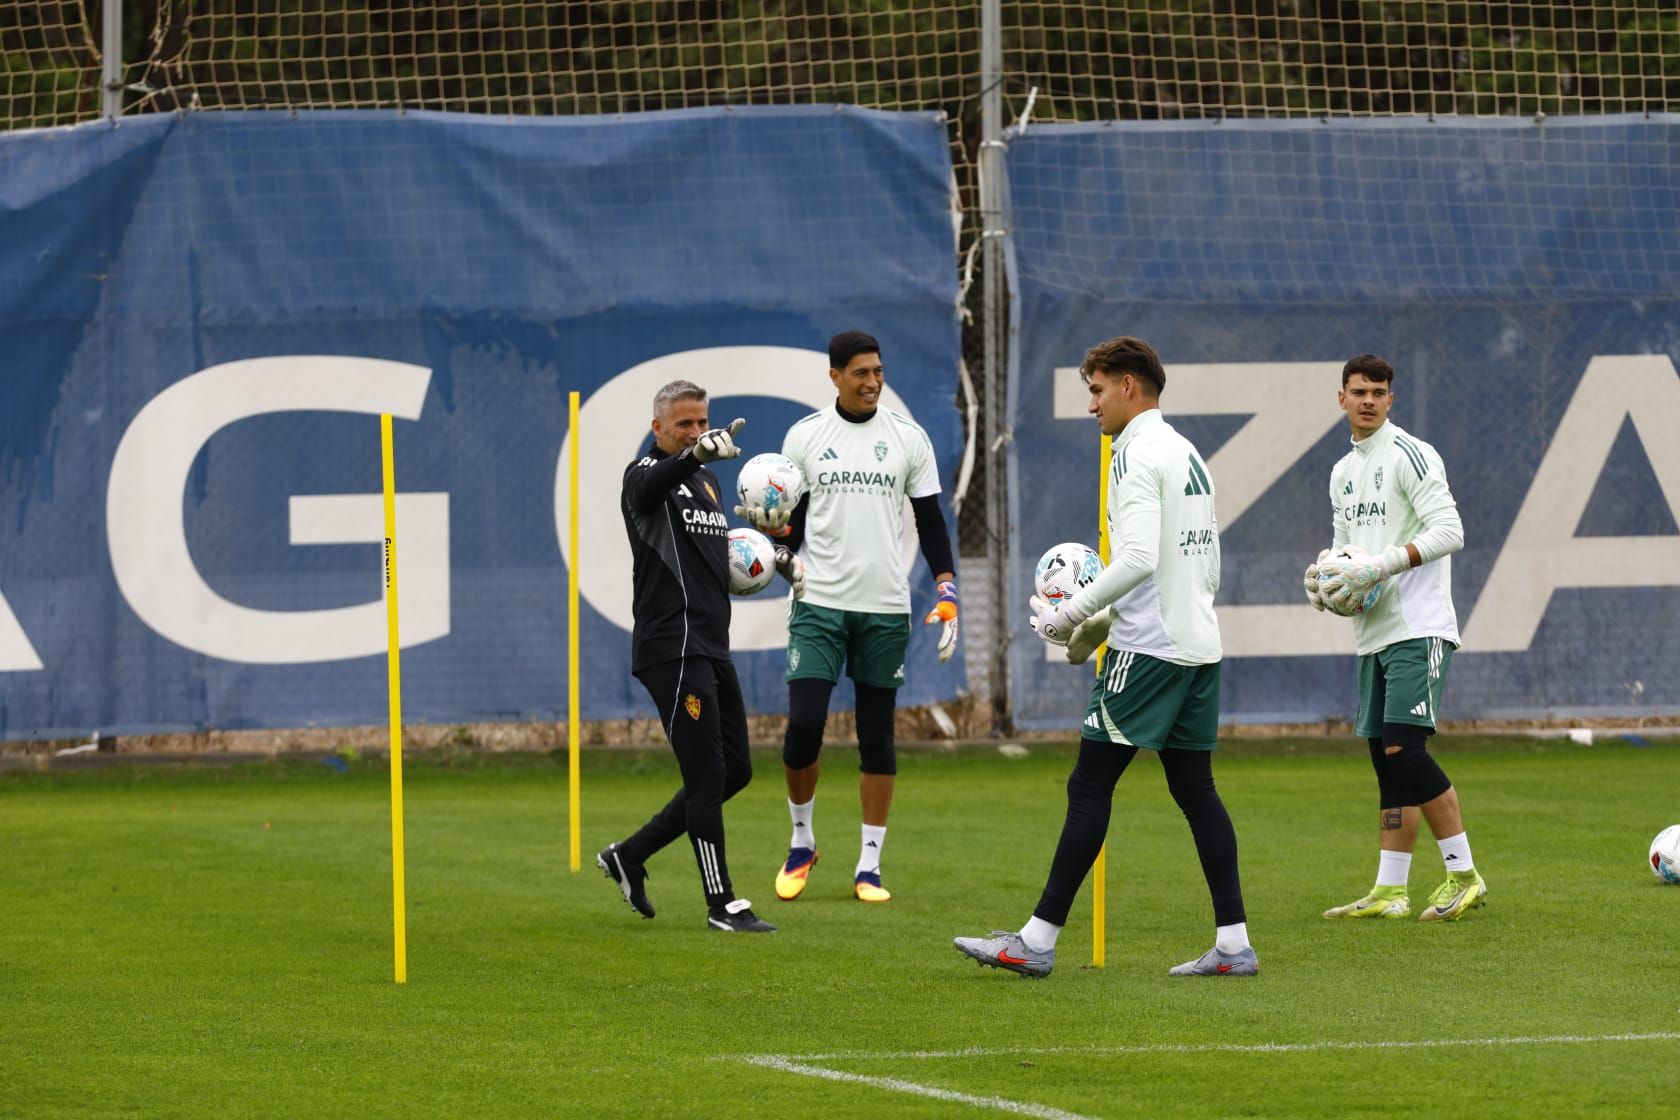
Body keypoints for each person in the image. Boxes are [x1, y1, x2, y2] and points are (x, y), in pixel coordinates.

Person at [952, 335, 1256, 979]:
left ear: (1128, 386)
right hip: (1198, 646)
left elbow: (1139, 558)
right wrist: (1104, 620)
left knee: (1089, 785)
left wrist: (1071, 614)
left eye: (1096, 390)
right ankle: (1234, 946)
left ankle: (1035, 942)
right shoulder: (1186, 452)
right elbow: (1202, 563)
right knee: (1195, 790)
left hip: (1149, 652)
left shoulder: (1133, 453)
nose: (1092, 405)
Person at [735, 330, 960, 904]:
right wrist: (773, 534)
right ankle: (802, 842)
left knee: (876, 736)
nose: (872, 382)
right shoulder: (806, 437)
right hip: (818, 603)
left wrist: (947, 588)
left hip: (884, 608)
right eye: (861, 373)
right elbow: (792, 528)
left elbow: (931, 521)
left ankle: (869, 866)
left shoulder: (908, 438)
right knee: (803, 728)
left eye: (878, 371)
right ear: (835, 376)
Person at [597, 379, 803, 933]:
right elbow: (651, 487)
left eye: (702, 422)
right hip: (672, 646)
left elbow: (718, 559)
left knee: (735, 771)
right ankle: (722, 904)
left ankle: (629, 855)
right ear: (658, 427)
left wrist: (773, 557)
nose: (696, 431)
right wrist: (692, 455)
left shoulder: (707, 481)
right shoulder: (643, 474)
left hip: (711, 644)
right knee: (708, 774)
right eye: (684, 424)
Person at [1306, 354, 1486, 922]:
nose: (1368, 400)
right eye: (1359, 391)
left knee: (1404, 751)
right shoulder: (1342, 471)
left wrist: (1379, 566)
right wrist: (1327, 580)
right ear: (1341, 398)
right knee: (1386, 763)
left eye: (1378, 392)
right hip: (1374, 634)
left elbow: (1450, 531)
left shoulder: (1411, 453)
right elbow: (1344, 550)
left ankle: (1464, 875)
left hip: (1418, 625)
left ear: (1391, 399)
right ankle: (1390, 890)